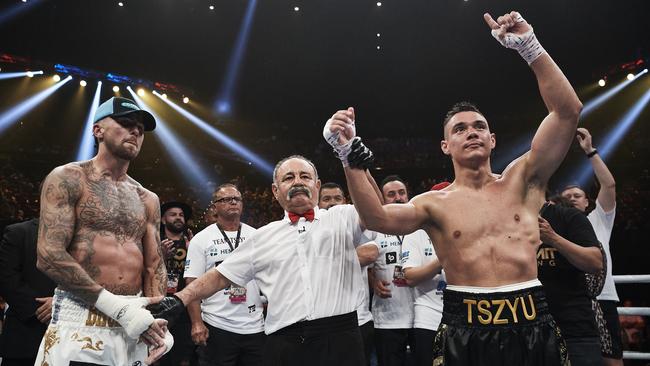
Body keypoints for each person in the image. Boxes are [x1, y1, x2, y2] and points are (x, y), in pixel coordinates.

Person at [324, 10, 582, 365]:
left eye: (479, 126)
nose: (471, 132)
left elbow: (567, 111)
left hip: (532, 321)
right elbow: (377, 218)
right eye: (459, 129)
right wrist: (346, 155)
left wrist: (529, 46)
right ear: (445, 146)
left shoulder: (524, 180)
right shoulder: (434, 204)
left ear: (492, 139)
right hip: (466, 327)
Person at [151, 155, 378, 366]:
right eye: (289, 178)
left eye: (305, 176)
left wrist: (357, 166)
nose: (298, 181)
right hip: (284, 339)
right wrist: (179, 300)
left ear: (317, 186)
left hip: (341, 336)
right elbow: (219, 276)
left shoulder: (342, 217)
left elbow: (377, 213)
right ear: (275, 191)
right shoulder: (261, 237)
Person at [34, 97, 171, 365]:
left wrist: (156, 322)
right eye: (125, 123)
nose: (135, 132)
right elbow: (48, 254)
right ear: (98, 130)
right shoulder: (68, 178)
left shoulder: (147, 198)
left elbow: (154, 266)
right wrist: (116, 307)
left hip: (133, 323)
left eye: (140, 129)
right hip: (80, 319)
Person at [184, 183, 266, 366]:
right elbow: (192, 283)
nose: (233, 202)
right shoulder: (201, 239)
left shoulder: (257, 236)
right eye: (226, 199)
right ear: (215, 207)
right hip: (217, 323)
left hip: (255, 325)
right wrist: (197, 323)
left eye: (237, 199)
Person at [561, 127, 622, 366]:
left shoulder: (598, 219)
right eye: (567, 197)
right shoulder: (554, 227)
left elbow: (609, 186)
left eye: (577, 195)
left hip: (602, 299)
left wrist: (590, 151)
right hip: (569, 302)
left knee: (612, 360)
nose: (573, 198)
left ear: (587, 201)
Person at [537, 195, 605, 365]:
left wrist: (553, 238)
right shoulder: (509, 223)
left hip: (574, 327)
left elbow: (595, 262)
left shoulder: (569, 216)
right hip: (528, 330)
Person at [319, 182, 378, 365]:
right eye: (326, 199)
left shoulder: (358, 227)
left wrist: (321, 260)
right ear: (318, 203)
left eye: (337, 198)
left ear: (345, 201)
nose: (332, 203)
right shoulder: (312, 232)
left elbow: (370, 253)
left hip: (359, 319)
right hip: (323, 322)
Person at [366, 176, 415, 366]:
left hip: (421, 317)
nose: (398, 198)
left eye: (402, 193)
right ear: (383, 200)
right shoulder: (373, 228)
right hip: (387, 319)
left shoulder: (422, 227)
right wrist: (372, 281)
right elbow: (365, 264)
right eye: (391, 194)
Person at [400, 182, 448, 366]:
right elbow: (410, 277)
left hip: (464, 315)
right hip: (429, 317)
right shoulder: (415, 233)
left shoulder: (469, 230)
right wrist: (445, 257)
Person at [0, 218, 56, 366]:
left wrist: (61, 303)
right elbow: (7, 279)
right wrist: (45, 309)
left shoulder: (85, 237)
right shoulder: (18, 232)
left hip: (73, 342)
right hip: (25, 337)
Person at [159, 201, 195, 366]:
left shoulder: (193, 243)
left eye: (181, 215)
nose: (178, 218)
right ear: (163, 220)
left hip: (184, 305)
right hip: (159, 303)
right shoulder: (154, 242)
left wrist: (195, 252)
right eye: (173, 215)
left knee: (183, 355)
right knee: (158, 353)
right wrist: (161, 256)